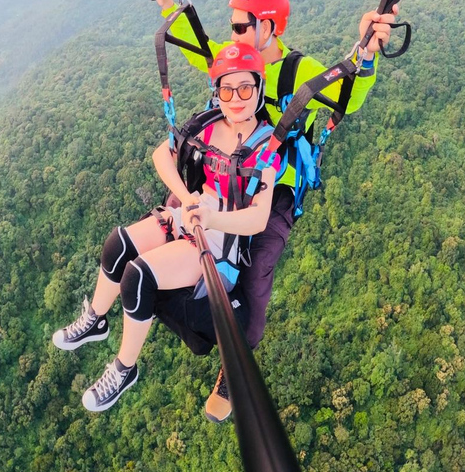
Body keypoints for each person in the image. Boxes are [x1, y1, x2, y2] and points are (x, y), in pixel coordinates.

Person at [152, 0, 401, 422]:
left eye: (238, 26)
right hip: (222, 172)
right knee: (165, 227)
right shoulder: (232, 59)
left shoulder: (297, 71)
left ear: (267, 26)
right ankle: (143, 293)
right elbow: (199, 47)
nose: (230, 37)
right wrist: (173, 7)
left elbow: (347, 94)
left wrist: (367, 52)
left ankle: (232, 367)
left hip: (273, 187)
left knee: (254, 285)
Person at [52, 43, 281, 413]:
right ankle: (95, 320)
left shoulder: (267, 147)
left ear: (259, 89)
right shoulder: (206, 125)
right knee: (118, 244)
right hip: (191, 213)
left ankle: (124, 369)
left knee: (137, 277)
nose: (235, 98)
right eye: (226, 89)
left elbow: (257, 217)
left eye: (245, 88)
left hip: (218, 242)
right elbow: (162, 155)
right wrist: (186, 198)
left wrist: (210, 217)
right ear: (216, 92)